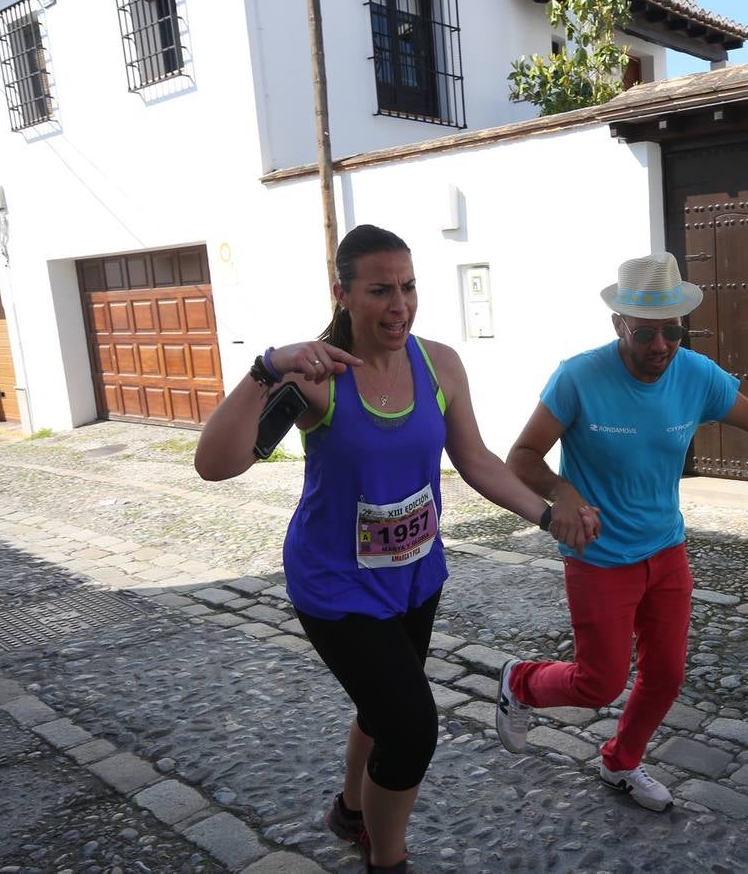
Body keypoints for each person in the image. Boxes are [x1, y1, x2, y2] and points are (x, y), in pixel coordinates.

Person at [194, 225, 593, 871]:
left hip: (415, 577)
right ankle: (387, 859)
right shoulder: (317, 376)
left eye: (408, 287)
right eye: (380, 290)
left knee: (382, 709)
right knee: (411, 726)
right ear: (343, 295)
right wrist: (266, 368)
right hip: (334, 584)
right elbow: (216, 464)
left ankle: (350, 810)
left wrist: (548, 516)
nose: (400, 304)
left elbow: (475, 460)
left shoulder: (438, 364)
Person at [497, 250, 748, 811]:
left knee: (666, 676)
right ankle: (520, 683)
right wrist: (563, 492)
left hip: (667, 551)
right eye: (646, 335)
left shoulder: (696, 375)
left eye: (673, 333)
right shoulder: (578, 377)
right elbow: (523, 455)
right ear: (619, 326)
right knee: (599, 683)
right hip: (599, 557)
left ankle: (621, 762)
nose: (660, 347)